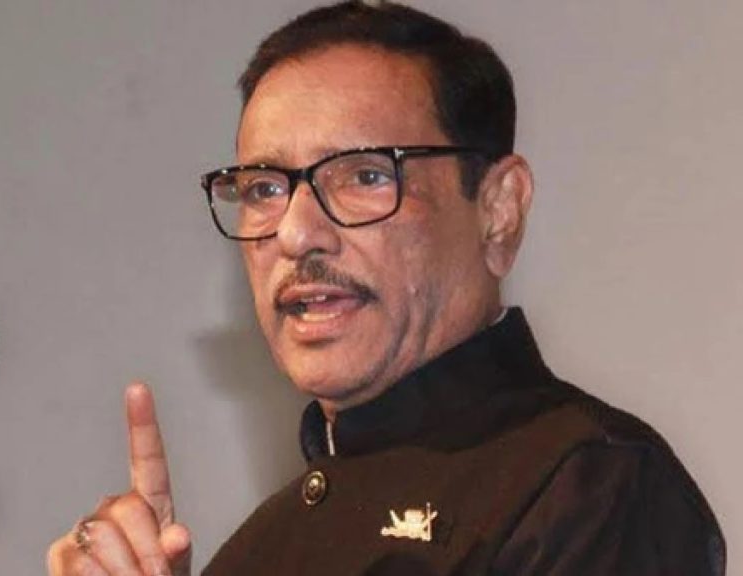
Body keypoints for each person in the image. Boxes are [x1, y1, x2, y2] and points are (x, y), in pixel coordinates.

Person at [46, 2, 726, 574]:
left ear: (498, 210)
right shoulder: (258, 547)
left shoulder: (590, 484)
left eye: (365, 175)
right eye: (263, 189)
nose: (296, 234)